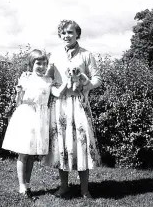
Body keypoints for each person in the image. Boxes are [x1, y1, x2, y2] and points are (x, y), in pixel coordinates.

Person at [44, 20, 101, 198]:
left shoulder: (86, 54)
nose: (67, 36)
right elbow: (48, 80)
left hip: (79, 104)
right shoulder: (54, 55)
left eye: (70, 32)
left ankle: (84, 189)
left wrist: (86, 82)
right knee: (63, 144)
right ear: (60, 35)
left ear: (77, 34)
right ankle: (64, 186)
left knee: (81, 145)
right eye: (64, 33)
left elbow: (97, 79)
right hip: (60, 105)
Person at [2, 49, 67, 197]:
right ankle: (21, 186)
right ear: (32, 63)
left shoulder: (48, 81)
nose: (42, 66)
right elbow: (18, 103)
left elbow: (57, 93)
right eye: (38, 63)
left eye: (45, 64)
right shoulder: (25, 78)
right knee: (23, 153)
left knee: (31, 154)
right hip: (27, 116)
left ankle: (28, 184)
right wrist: (18, 91)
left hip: (41, 118)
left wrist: (68, 81)